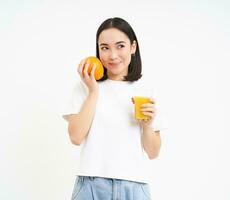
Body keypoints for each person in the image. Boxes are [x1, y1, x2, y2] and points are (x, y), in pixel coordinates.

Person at [63, 17, 166, 200]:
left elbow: (153, 152)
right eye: (105, 47)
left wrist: (148, 125)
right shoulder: (85, 87)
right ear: (98, 50)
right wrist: (94, 91)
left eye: (120, 46)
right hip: (91, 186)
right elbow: (76, 136)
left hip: (134, 187)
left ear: (133, 47)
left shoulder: (146, 91)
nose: (112, 55)